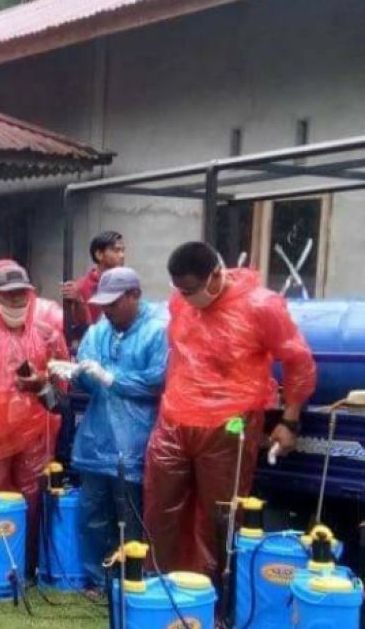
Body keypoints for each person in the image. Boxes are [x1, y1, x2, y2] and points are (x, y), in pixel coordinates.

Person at [143, 242, 315, 582]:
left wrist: (289, 421)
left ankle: (214, 596)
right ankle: (160, 585)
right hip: (176, 416)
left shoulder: (260, 306)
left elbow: (298, 360)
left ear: (216, 276)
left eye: (192, 290)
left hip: (231, 421)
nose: (187, 298)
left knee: (220, 512)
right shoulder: (182, 303)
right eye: (181, 290)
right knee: (160, 507)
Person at [0, 261, 68, 574]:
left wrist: (41, 380)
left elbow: (63, 381)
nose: (17, 301)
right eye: (9, 295)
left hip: (36, 433)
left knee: (32, 499)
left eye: (21, 294)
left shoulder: (47, 335)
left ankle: (28, 563)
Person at [65, 267, 167, 586]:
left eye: (114, 303)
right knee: (92, 513)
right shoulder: (99, 330)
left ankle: (131, 579)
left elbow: (157, 381)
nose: (107, 310)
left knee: (130, 516)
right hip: (98, 439)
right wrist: (76, 373)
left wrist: (113, 378)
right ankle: (97, 581)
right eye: (104, 304)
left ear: (134, 295)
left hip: (135, 438)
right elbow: (89, 376)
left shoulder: (158, 330)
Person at [62, 231, 125, 337]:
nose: (122, 255)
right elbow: (80, 329)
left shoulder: (125, 284)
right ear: (99, 255)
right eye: (116, 250)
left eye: (123, 251)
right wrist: (79, 303)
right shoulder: (82, 287)